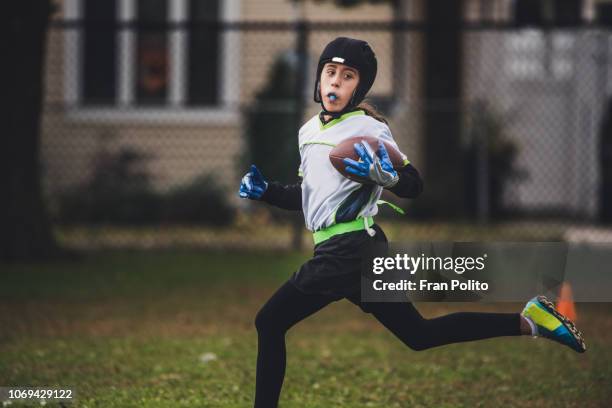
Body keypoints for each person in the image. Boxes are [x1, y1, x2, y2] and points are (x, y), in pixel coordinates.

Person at [239, 37, 586, 408]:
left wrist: (389, 179)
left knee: (270, 321)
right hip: (356, 250)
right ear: (319, 79)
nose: (336, 82)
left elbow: (413, 184)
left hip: (348, 249)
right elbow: (309, 197)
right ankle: (528, 320)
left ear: (361, 87)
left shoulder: (368, 130)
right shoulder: (308, 132)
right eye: (330, 72)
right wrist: (268, 192)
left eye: (348, 75)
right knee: (418, 334)